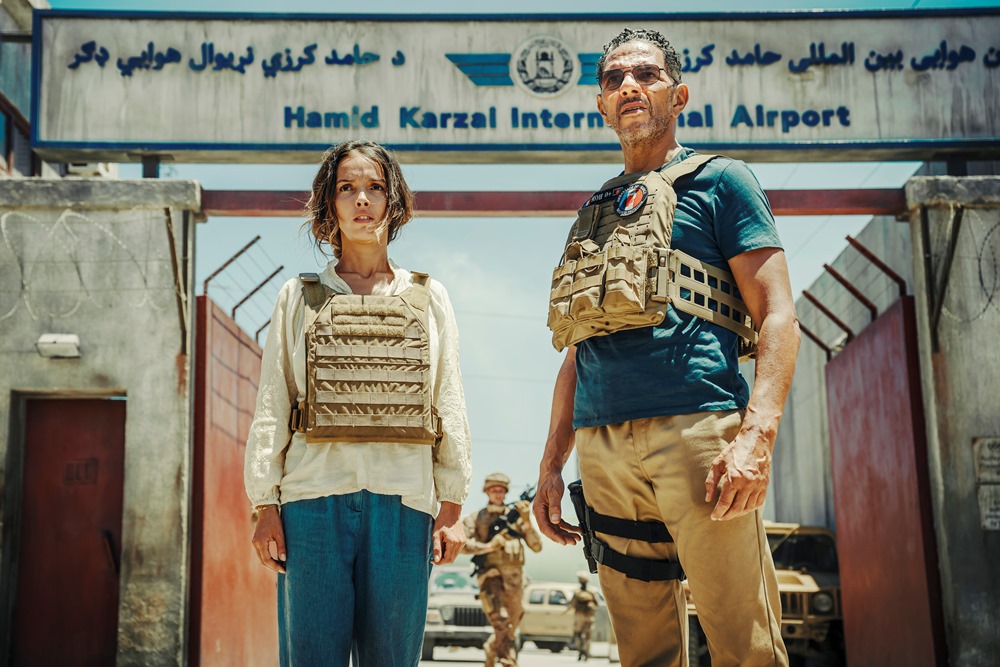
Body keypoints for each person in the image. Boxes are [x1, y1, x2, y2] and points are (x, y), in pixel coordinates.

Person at [533, 28, 800, 667]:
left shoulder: (723, 181)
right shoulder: (595, 209)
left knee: (745, 645)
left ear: (677, 96)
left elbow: (779, 314)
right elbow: (578, 346)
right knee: (643, 652)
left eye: (646, 75)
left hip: (699, 435)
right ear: (602, 105)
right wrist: (551, 464)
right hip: (602, 448)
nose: (629, 86)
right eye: (614, 79)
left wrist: (756, 436)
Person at [244, 140, 472, 667]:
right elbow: (274, 402)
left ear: (395, 200)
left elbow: (450, 400)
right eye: (347, 188)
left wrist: (453, 505)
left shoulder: (429, 297)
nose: (362, 199)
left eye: (375, 187)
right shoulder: (297, 296)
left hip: (404, 501)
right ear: (330, 204)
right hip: (312, 500)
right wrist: (265, 504)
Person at [462, 473, 542, 667]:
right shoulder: (477, 518)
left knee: (510, 628)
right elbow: (461, 544)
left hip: (515, 581)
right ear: (486, 492)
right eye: (494, 490)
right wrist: (488, 547)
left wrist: (527, 520)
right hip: (491, 577)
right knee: (502, 622)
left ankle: (492, 647)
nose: (498, 494)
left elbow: (536, 546)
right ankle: (508, 662)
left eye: (501, 490)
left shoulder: (516, 517)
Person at [568, 574, 598, 662]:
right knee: (588, 637)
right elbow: (596, 603)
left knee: (578, 634)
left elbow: (572, 604)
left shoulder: (577, 592)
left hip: (579, 617)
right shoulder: (591, 592)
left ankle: (580, 652)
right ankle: (587, 654)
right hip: (589, 617)